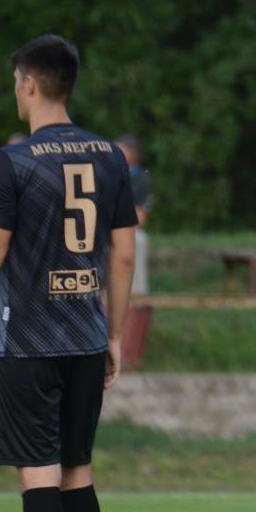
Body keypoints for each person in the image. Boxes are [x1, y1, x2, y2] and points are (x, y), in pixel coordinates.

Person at [0, 34, 137, 512]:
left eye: (17, 83)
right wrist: (114, 334)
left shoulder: (14, 161)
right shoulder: (110, 156)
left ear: (30, 84)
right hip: (87, 336)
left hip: (30, 341)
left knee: (39, 476)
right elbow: (123, 254)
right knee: (78, 472)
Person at [115, 134, 152, 371]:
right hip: (118, 236)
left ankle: (128, 354)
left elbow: (140, 216)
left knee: (134, 294)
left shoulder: (137, 177)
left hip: (130, 236)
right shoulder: (120, 174)